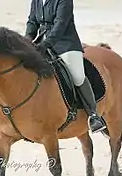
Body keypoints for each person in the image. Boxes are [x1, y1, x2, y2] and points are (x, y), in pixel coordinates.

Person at [24, 0, 106, 133]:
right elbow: (32, 21)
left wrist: (46, 44)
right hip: (41, 42)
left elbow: (61, 24)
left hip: (65, 43)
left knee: (77, 77)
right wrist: (27, 39)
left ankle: (93, 115)